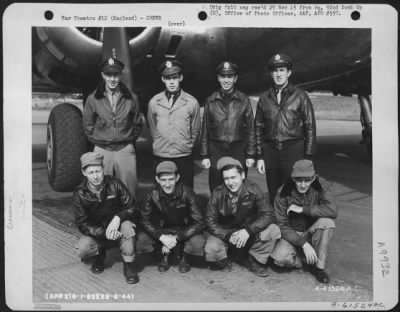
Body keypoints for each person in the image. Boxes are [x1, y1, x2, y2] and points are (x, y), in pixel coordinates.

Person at [255, 53, 316, 203]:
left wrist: (307, 157)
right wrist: (260, 156)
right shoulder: (264, 98)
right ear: (271, 74)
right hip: (271, 150)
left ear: (289, 72)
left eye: (282, 70)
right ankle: (277, 222)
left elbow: (310, 126)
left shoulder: (300, 96)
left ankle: (293, 222)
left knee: (293, 191)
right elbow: (258, 128)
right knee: (274, 191)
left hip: (293, 148)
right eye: (275, 71)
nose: (278, 74)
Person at [204, 157, 281, 277]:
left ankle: (251, 259)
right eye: (226, 178)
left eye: (233, 177)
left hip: (249, 232)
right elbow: (209, 221)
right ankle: (228, 257)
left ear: (242, 175)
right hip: (227, 232)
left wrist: (248, 230)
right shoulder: (217, 193)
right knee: (211, 249)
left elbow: (269, 214)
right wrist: (227, 235)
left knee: (273, 230)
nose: (230, 182)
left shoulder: (253, 189)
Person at [73, 152, 139, 284]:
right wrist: (104, 233)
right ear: (84, 173)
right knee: (83, 248)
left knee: (127, 226)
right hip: (98, 232)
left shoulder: (115, 183)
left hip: (119, 228)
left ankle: (129, 265)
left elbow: (133, 207)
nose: (96, 176)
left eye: (98, 171)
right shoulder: (80, 193)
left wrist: (118, 218)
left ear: (103, 168)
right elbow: (82, 222)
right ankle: (100, 255)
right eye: (91, 172)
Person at [82, 57, 143, 200]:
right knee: (100, 186)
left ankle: (129, 217)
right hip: (102, 149)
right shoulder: (93, 99)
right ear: (103, 75)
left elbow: (137, 123)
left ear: (120, 75)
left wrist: (127, 139)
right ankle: (103, 217)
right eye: (109, 75)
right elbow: (87, 125)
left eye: (115, 75)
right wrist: (99, 140)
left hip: (125, 148)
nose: (112, 79)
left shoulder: (131, 98)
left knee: (130, 187)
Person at [271, 159, 337, 283]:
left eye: (307, 180)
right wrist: (303, 244)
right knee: (279, 259)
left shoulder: (321, 186)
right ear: (292, 178)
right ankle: (302, 258)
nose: (302, 185)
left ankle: (318, 267)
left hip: (312, 231)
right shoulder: (283, 191)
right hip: (292, 233)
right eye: (298, 180)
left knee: (327, 222)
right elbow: (282, 225)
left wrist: (303, 209)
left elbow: (332, 211)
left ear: (313, 178)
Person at [138, 161, 205, 273]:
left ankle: (184, 255)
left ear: (177, 178)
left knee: (197, 242)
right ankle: (162, 253)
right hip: (162, 229)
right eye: (163, 180)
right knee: (141, 241)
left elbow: (200, 221)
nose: (167, 184)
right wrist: (160, 236)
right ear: (157, 179)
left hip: (183, 230)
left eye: (171, 179)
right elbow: (144, 219)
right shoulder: (151, 193)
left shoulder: (187, 193)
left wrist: (178, 237)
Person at [200, 61, 256, 192]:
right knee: (216, 187)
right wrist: (204, 155)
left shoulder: (243, 100)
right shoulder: (211, 100)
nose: (226, 80)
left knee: (238, 186)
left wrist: (251, 154)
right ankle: (216, 212)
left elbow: (251, 129)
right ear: (218, 78)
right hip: (216, 150)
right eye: (223, 76)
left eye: (230, 76)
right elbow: (205, 129)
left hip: (238, 149)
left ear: (235, 78)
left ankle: (237, 212)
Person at [147, 59, 201, 188]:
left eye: (175, 77)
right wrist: (160, 142)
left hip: (183, 154)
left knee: (186, 191)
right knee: (161, 192)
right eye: (167, 78)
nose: (171, 82)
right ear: (162, 79)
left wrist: (185, 144)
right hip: (162, 153)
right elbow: (153, 127)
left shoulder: (191, 102)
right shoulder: (154, 102)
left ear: (180, 78)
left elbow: (195, 129)